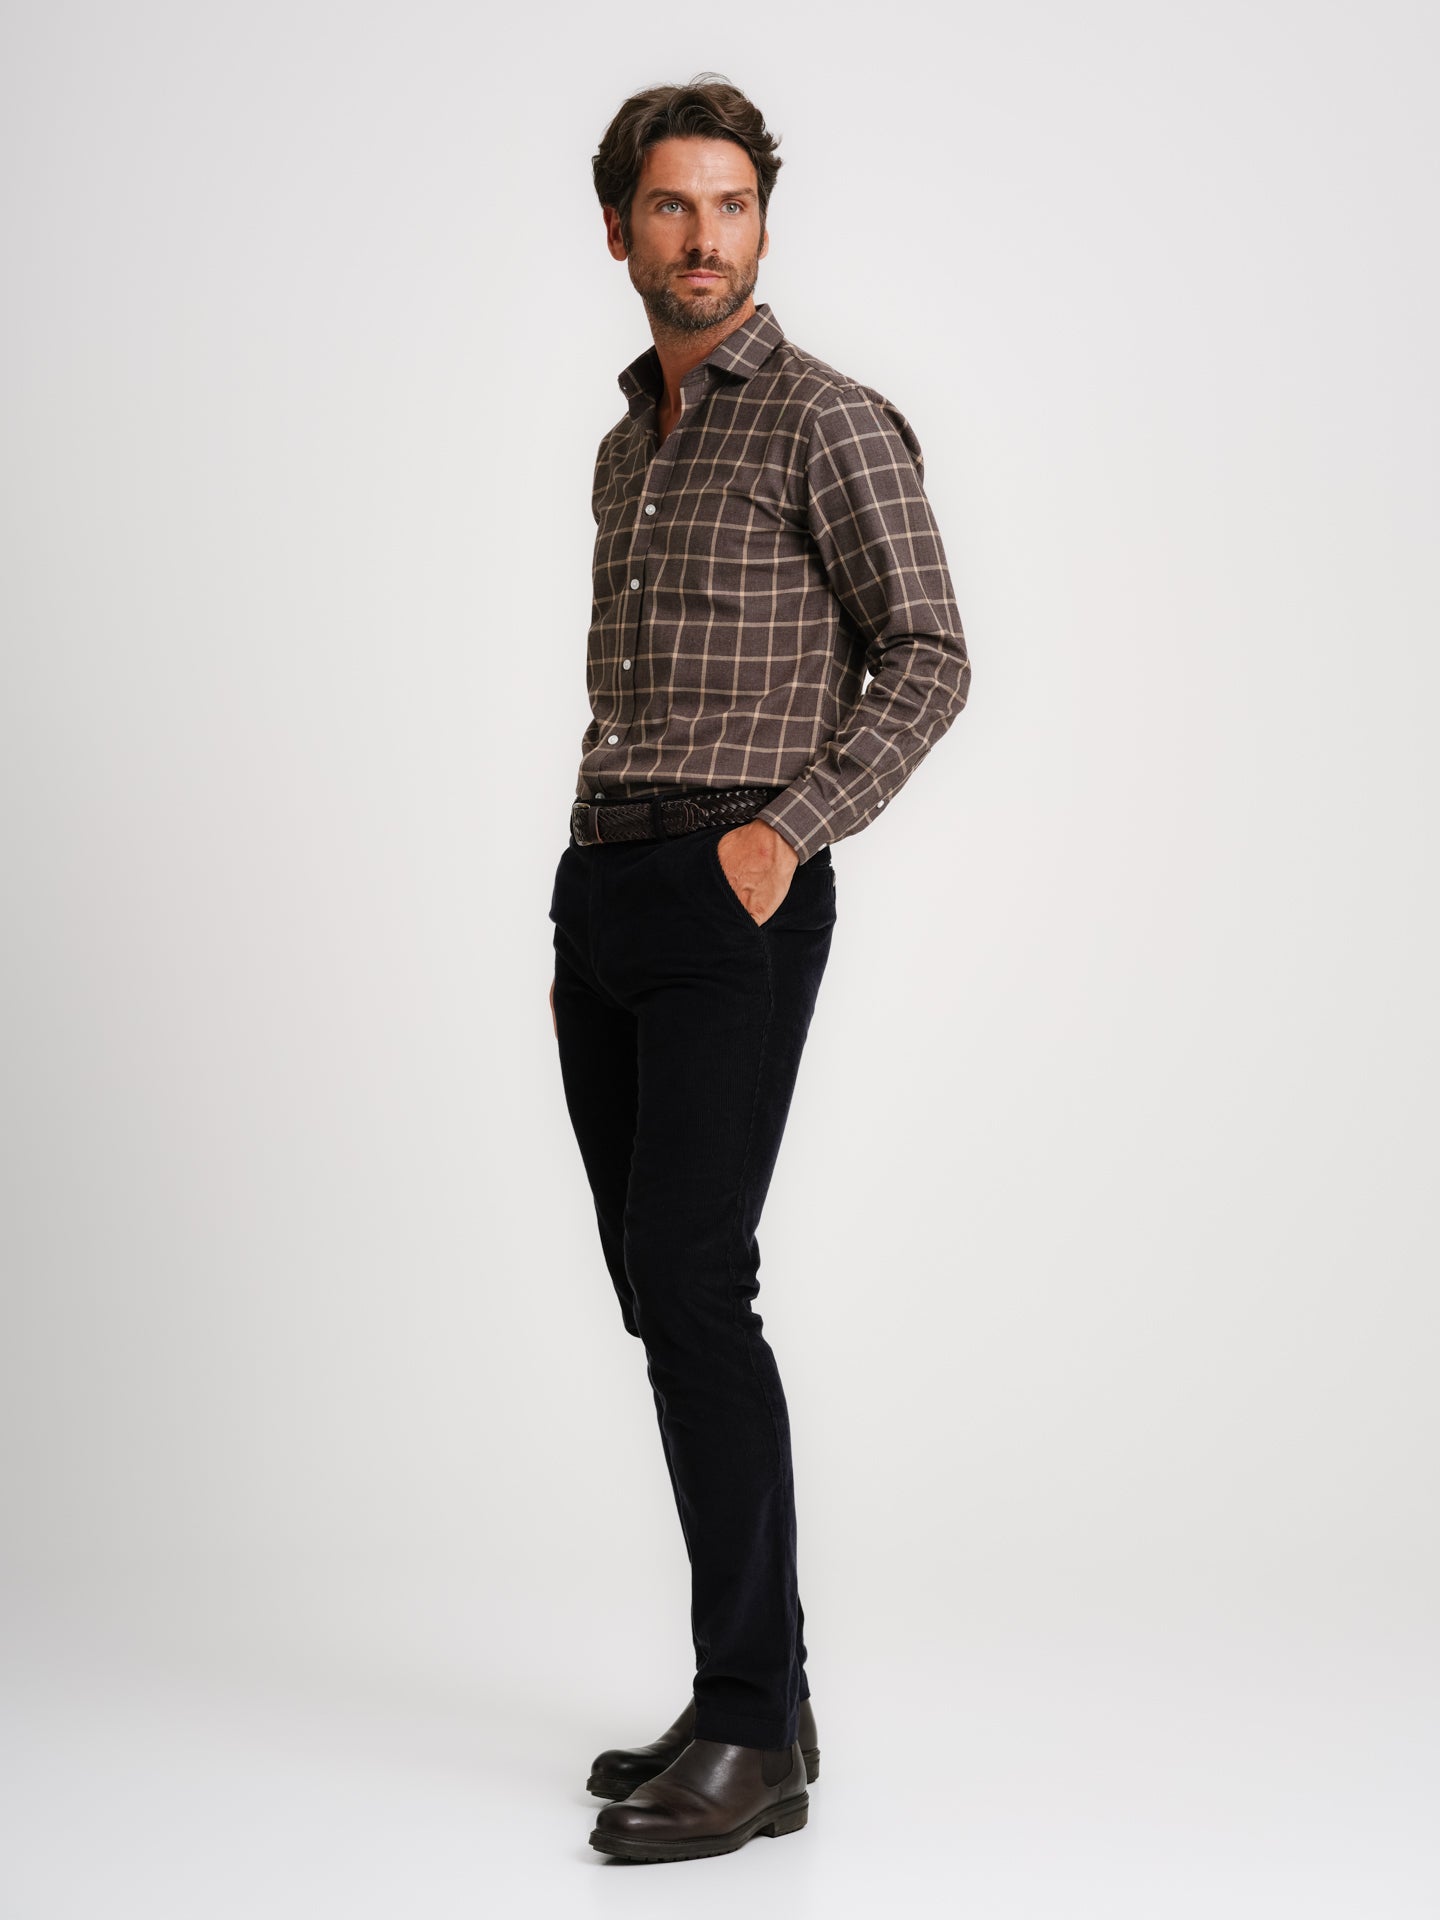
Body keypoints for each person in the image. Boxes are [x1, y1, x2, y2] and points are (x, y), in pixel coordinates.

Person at [547, 73, 971, 1865]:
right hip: (605, 889)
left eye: (730, 204)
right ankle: (762, 1702)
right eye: (671, 204)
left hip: (735, 887)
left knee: (698, 1287)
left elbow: (930, 654)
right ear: (621, 229)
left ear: (764, 226)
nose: (703, 235)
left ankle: (747, 1728)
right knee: (658, 1294)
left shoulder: (828, 420)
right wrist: (595, 882)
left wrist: (785, 833)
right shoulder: (626, 446)